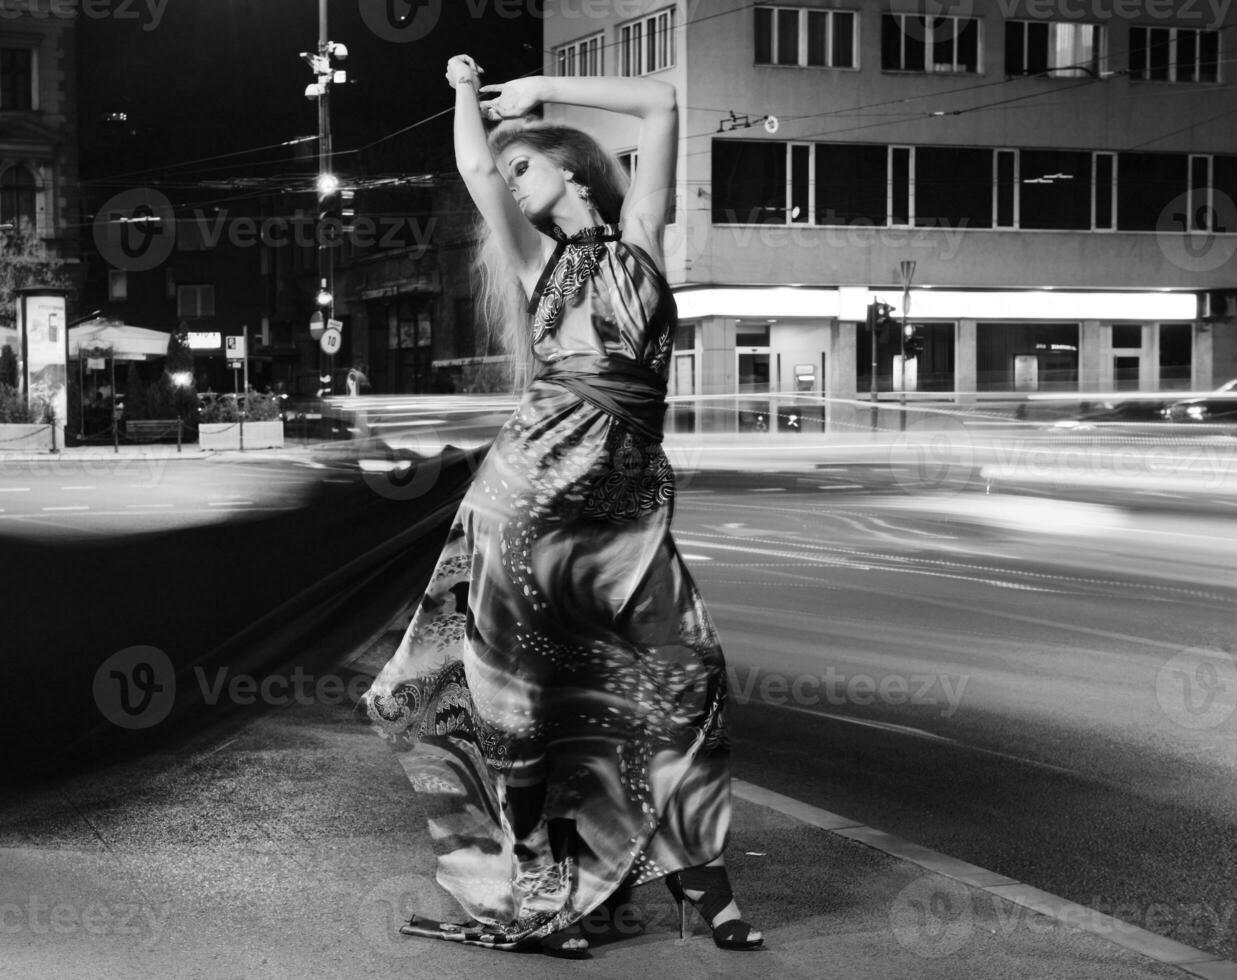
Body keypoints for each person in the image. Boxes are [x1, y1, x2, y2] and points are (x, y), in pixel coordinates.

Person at [361, 56, 763, 959]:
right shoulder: (537, 259)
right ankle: (543, 894)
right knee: (521, 701)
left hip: (625, 512)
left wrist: (539, 95)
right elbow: (473, 168)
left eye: (525, 165)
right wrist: (465, 95)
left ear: (572, 170)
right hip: (527, 497)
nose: (508, 182)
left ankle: (703, 882)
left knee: (687, 681)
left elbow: (659, 100)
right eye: (506, 175)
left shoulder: (643, 241)